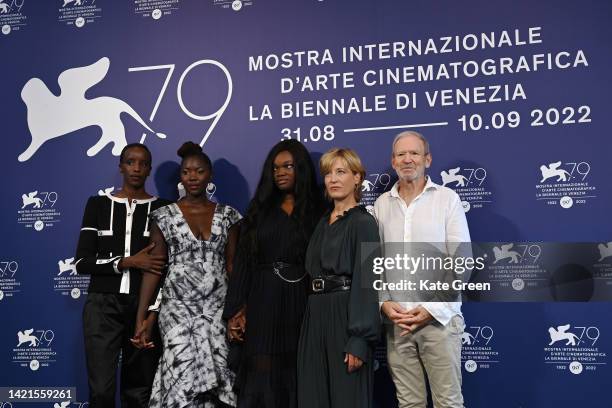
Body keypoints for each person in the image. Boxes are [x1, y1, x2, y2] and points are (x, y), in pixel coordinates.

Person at [133, 141, 241, 407]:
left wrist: (239, 309)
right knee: (180, 375)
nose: (192, 177)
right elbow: (154, 269)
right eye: (186, 172)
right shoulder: (163, 216)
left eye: (199, 171)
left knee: (217, 378)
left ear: (210, 175)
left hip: (217, 308)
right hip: (176, 311)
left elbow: (233, 267)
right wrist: (142, 317)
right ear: (181, 176)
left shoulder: (229, 216)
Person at [223, 139, 324, 408]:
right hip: (263, 303)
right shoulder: (259, 211)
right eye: (275, 167)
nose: (280, 172)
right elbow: (243, 263)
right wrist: (235, 310)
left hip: (303, 305)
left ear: (301, 169)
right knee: (262, 375)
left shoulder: (320, 210)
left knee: (298, 374)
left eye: (288, 166)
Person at [374, 131, 470, 408]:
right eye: (401, 154)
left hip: (439, 321)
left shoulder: (447, 199)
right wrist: (384, 302)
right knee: (409, 404)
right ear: (393, 162)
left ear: (427, 159)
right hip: (398, 324)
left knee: (448, 403)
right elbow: (375, 263)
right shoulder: (381, 205)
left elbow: (462, 261)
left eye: (414, 153)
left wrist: (432, 308)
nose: (407, 159)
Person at [75, 143, 171, 408]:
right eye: (130, 162)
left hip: (144, 308)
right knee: (101, 392)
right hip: (102, 307)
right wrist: (129, 262)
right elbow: (82, 262)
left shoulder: (164, 209)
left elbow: (169, 271)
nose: (136, 168)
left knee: (138, 392)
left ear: (149, 169)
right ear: (121, 166)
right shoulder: (97, 205)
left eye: (142, 163)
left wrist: (153, 312)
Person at [297, 148, 381, 408]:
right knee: (313, 398)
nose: (333, 179)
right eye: (328, 173)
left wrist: (359, 339)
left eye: (341, 172)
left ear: (357, 178)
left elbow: (368, 281)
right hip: (315, 316)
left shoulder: (364, 223)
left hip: (346, 318)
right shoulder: (323, 222)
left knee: (348, 399)